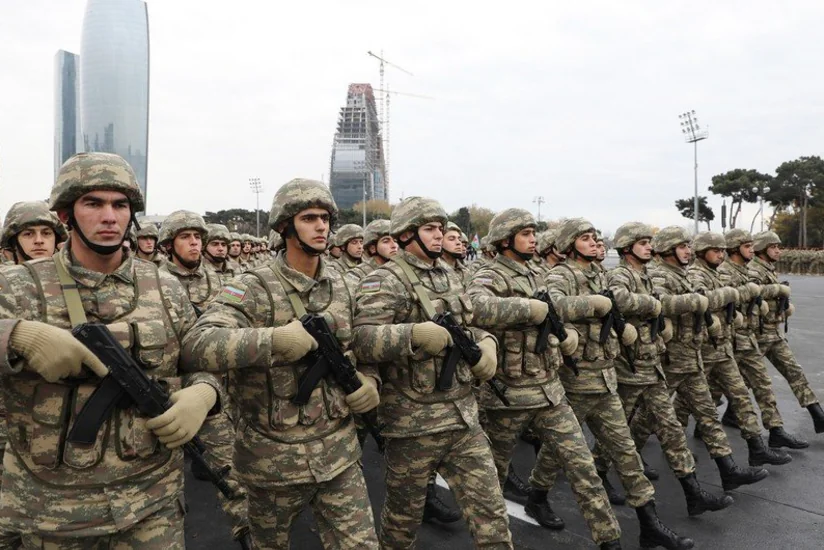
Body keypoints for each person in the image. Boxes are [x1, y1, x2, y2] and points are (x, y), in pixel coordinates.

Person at [0, 152, 222, 548]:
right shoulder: (19, 287)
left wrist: (205, 393)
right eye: (93, 204)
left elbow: (199, 357)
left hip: (151, 505)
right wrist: (16, 335)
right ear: (66, 215)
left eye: (120, 205)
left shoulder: (165, 287)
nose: (109, 217)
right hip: (52, 513)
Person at [182, 178, 380, 549]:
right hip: (272, 463)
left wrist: (370, 381)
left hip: (339, 455)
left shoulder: (344, 285)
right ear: (286, 227)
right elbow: (198, 343)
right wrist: (273, 341)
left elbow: (364, 346)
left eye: (325, 218)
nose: (321, 226)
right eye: (309, 218)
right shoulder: (253, 286)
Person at [352, 196, 513, 549]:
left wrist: (487, 344)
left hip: (463, 418)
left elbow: (469, 326)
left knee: (492, 517)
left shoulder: (449, 276)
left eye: (441, 228)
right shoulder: (384, 280)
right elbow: (361, 339)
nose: (439, 235)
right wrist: (412, 335)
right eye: (430, 229)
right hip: (413, 425)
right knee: (402, 525)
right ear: (406, 234)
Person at [469, 209, 622, 549]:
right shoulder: (490, 274)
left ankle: (610, 540)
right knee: (491, 480)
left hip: (550, 391)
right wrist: (528, 309)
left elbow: (555, 311)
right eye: (525, 234)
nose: (533, 239)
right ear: (505, 240)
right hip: (508, 395)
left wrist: (563, 334)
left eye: (532, 233)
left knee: (583, 466)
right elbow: (475, 308)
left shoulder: (538, 272)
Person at [546, 218, 693, 550]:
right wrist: (594, 305)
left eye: (594, 237)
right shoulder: (560, 274)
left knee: (627, 455)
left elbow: (617, 305)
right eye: (585, 238)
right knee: (570, 459)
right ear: (570, 244)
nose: (593, 242)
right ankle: (541, 495)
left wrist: (621, 324)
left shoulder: (599, 274)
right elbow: (553, 306)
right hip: (578, 378)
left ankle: (650, 525)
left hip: (606, 375)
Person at [591, 222, 732, 517]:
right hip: (630, 367)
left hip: (652, 362)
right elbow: (618, 300)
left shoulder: (645, 275)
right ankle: (600, 471)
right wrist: (654, 305)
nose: (649, 247)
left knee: (671, 429)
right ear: (627, 248)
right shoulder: (620, 274)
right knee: (617, 431)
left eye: (649, 242)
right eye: (642, 243)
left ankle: (693, 492)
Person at [632, 226, 769, 493]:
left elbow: (704, 300)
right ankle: (623, 457)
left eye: (689, 246)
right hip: (671, 357)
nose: (688, 251)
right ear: (668, 249)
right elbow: (662, 303)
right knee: (649, 416)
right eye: (682, 247)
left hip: (692, 354)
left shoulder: (683, 274)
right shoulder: (659, 274)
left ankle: (728, 469)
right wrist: (702, 300)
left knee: (708, 412)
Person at [673, 232, 791, 467]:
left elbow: (735, 296)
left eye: (722, 250)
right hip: (705, 347)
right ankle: (670, 446)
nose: (721, 255)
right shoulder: (696, 274)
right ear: (702, 252)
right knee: (686, 403)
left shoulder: (715, 272)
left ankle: (757, 447)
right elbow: (701, 300)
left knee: (741, 395)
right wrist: (734, 294)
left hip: (724, 345)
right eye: (716, 251)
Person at [713, 229, 808, 449]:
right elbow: (727, 298)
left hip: (747, 338)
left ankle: (775, 432)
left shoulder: (746, 270)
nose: (752, 250)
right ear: (734, 249)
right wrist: (763, 292)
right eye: (747, 246)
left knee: (761, 384)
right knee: (710, 390)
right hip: (730, 340)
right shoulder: (725, 272)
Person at [747, 231, 824, 433]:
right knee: (741, 381)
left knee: (794, 371)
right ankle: (708, 418)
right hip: (758, 334)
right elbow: (752, 291)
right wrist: (778, 290)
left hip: (773, 333)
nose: (778, 251)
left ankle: (818, 414)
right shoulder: (753, 269)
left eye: (778, 247)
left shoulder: (768, 268)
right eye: (773, 247)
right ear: (762, 249)